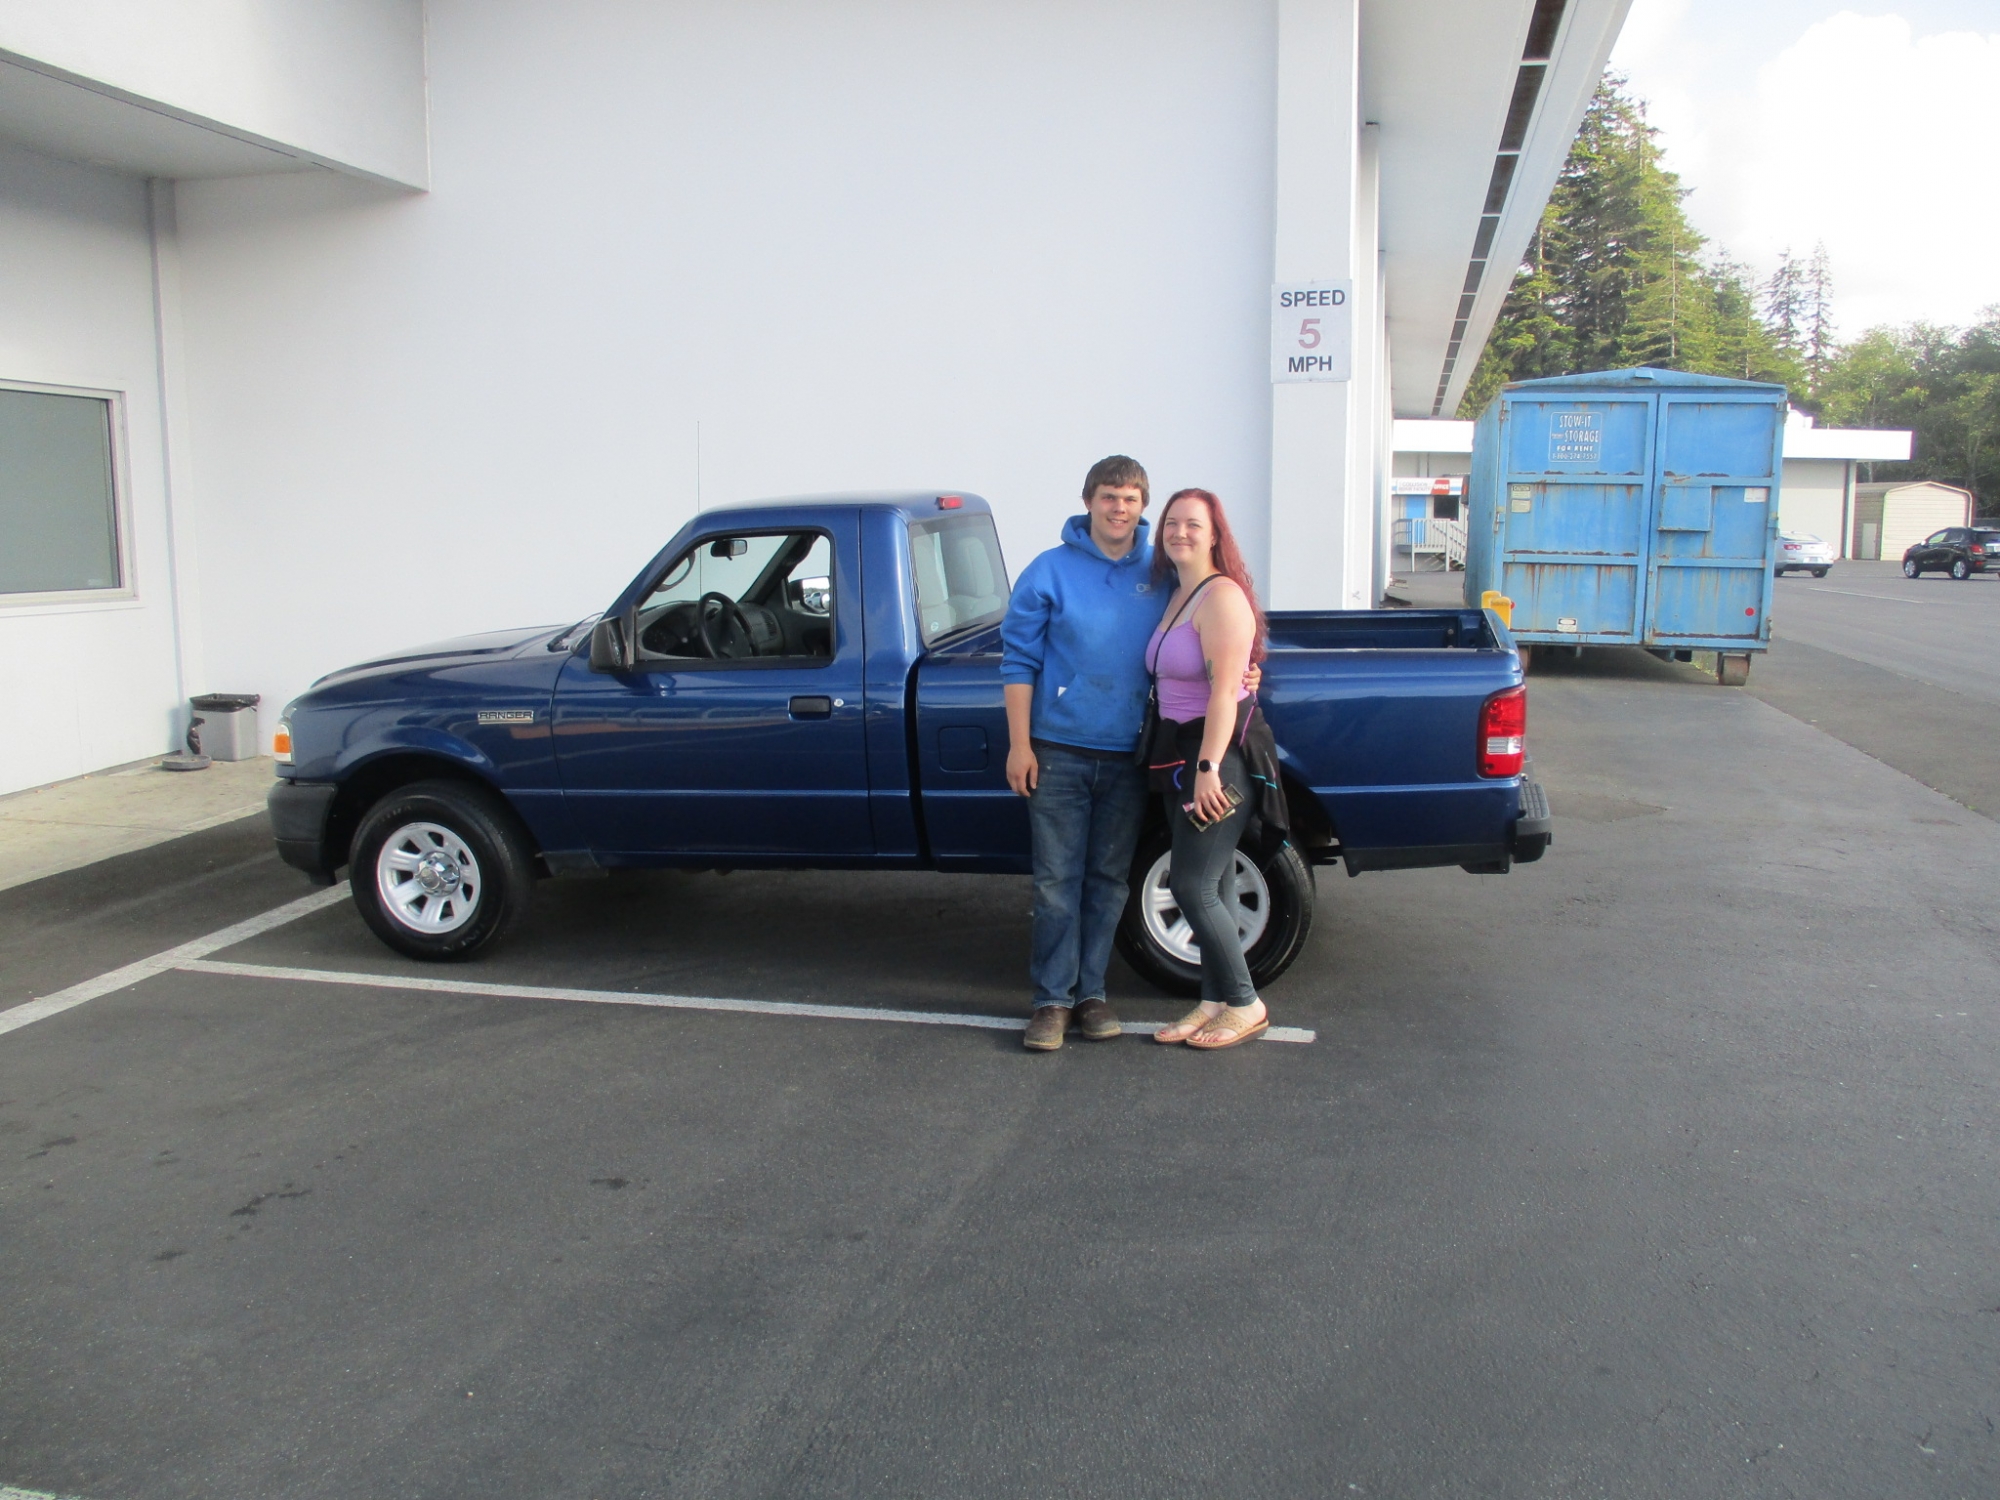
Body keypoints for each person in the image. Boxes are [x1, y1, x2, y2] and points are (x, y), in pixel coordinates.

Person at [1000, 456, 1160, 1051]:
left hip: (1129, 756)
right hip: (1057, 754)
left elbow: (1208, 628)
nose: (1119, 507)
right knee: (1055, 884)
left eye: (1130, 498)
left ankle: (1092, 994)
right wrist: (1020, 745)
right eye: (1109, 496)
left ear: (1143, 506)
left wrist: (1245, 669)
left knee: (1108, 882)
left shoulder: (1164, 572)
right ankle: (1051, 1002)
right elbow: (1018, 662)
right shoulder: (1048, 571)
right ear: (1088, 500)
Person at [1144, 487, 1285, 1050]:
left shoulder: (1221, 597)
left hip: (1214, 756)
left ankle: (1246, 1004)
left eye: (1193, 524)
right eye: (1171, 523)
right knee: (1218, 881)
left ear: (1214, 535)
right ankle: (1214, 1001)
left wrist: (1208, 769)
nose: (1180, 532)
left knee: (1191, 884)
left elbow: (1226, 693)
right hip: (1177, 752)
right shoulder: (1180, 593)